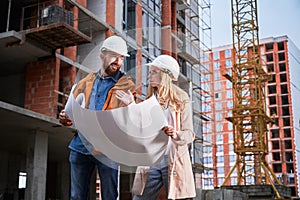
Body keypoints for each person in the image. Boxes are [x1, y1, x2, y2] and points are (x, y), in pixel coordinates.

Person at [58, 35, 136, 200]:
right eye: (114, 56)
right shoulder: (86, 81)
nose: (118, 61)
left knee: (109, 196)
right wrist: (66, 117)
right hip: (80, 146)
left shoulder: (126, 84)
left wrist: (131, 105)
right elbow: (72, 114)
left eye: (121, 57)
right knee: (77, 197)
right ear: (102, 55)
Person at [117, 55, 196, 199]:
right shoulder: (151, 100)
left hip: (173, 160)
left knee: (178, 197)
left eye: (154, 71)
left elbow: (189, 134)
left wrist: (175, 134)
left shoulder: (181, 100)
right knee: (139, 198)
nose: (149, 75)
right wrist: (131, 105)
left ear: (165, 74)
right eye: (150, 72)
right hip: (152, 161)